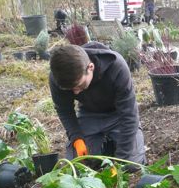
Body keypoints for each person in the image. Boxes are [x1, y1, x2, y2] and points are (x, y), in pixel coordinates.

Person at [49, 42, 146, 171]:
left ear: (90, 67)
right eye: (70, 89)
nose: (76, 92)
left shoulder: (116, 67)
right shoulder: (58, 77)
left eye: (79, 85)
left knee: (131, 166)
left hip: (118, 116)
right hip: (89, 116)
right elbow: (64, 110)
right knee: (77, 167)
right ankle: (106, 148)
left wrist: (119, 164)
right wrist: (76, 138)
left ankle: (114, 149)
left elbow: (129, 116)